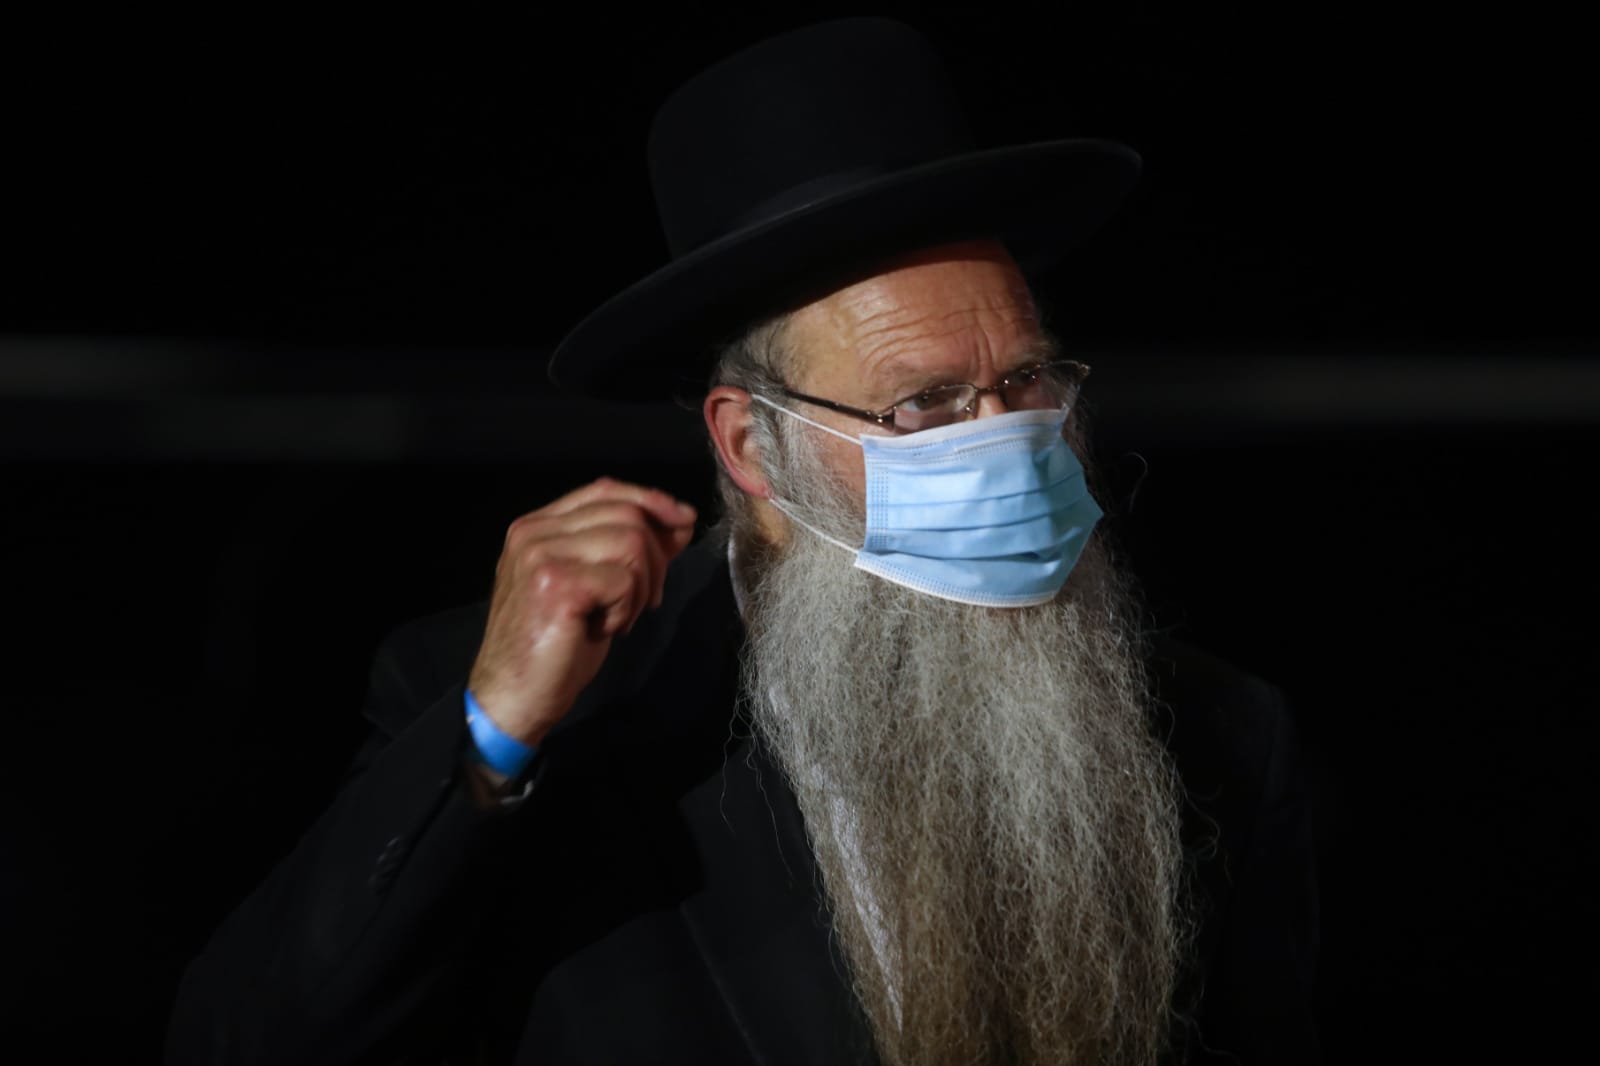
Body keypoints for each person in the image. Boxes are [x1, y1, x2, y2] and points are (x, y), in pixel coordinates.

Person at [166, 17, 1319, 1066]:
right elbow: (241, 1042)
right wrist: (496, 733)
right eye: (922, 402)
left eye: (1026, 380)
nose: (1006, 440)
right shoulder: (553, 722)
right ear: (750, 447)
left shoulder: (1216, 734)